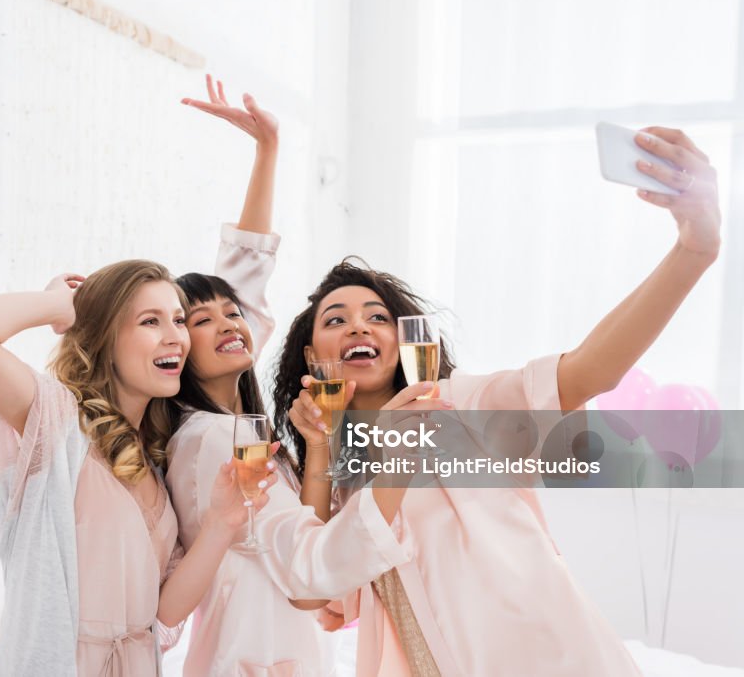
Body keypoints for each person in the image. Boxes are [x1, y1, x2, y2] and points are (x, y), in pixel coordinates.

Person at [271, 127, 721, 676]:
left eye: (378, 316)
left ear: (405, 341)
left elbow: (588, 371)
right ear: (311, 355)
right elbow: (310, 591)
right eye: (335, 319)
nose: (358, 325)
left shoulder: (463, 406)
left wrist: (693, 252)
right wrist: (320, 447)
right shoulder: (334, 473)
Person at [163, 77, 417, 676]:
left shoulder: (244, 427)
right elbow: (306, 565)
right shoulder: (210, 439)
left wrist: (268, 151)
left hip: (280, 645)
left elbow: (241, 281)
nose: (232, 323)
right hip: (254, 656)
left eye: (234, 314)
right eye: (201, 320)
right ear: (176, 348)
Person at [0, 266, 277, 672]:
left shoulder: (153, 462)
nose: (175, 336)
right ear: (105, 337)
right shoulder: (59, 424)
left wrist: (223, 522)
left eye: (177, 320)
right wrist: (59, 306)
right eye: (150, 321)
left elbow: (165, 612)